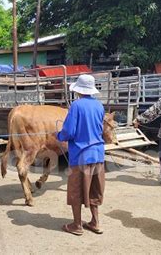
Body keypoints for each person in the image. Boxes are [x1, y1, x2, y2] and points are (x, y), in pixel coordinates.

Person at [57, 74, 106, 236]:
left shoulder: (76, 106)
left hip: (80, 155)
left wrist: (58, 136)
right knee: (94, 189)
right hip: (98, 154)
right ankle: (95, 222)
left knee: (76, 190)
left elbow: (69, 131)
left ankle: (77, 225)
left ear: (78, 90)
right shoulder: (99, 106)